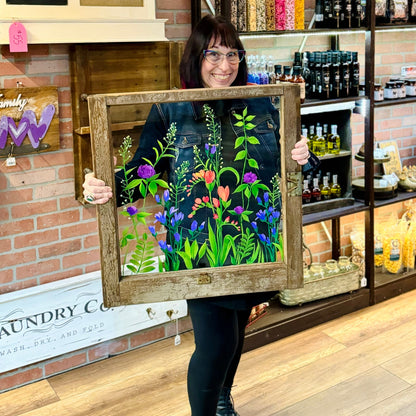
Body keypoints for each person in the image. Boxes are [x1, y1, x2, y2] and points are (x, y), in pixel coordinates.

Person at [83, 14, 319, 416]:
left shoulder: (264, 103)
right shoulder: (171, 111)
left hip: (252, 242)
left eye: (232, 54)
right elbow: (143, 172)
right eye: (213, 54)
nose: (224, 66)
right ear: (196, 57)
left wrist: (303, 156)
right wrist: (99, 190)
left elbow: (295, 166)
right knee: (215, 344)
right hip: (200, 250)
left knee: (238, 328)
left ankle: (224, 396)